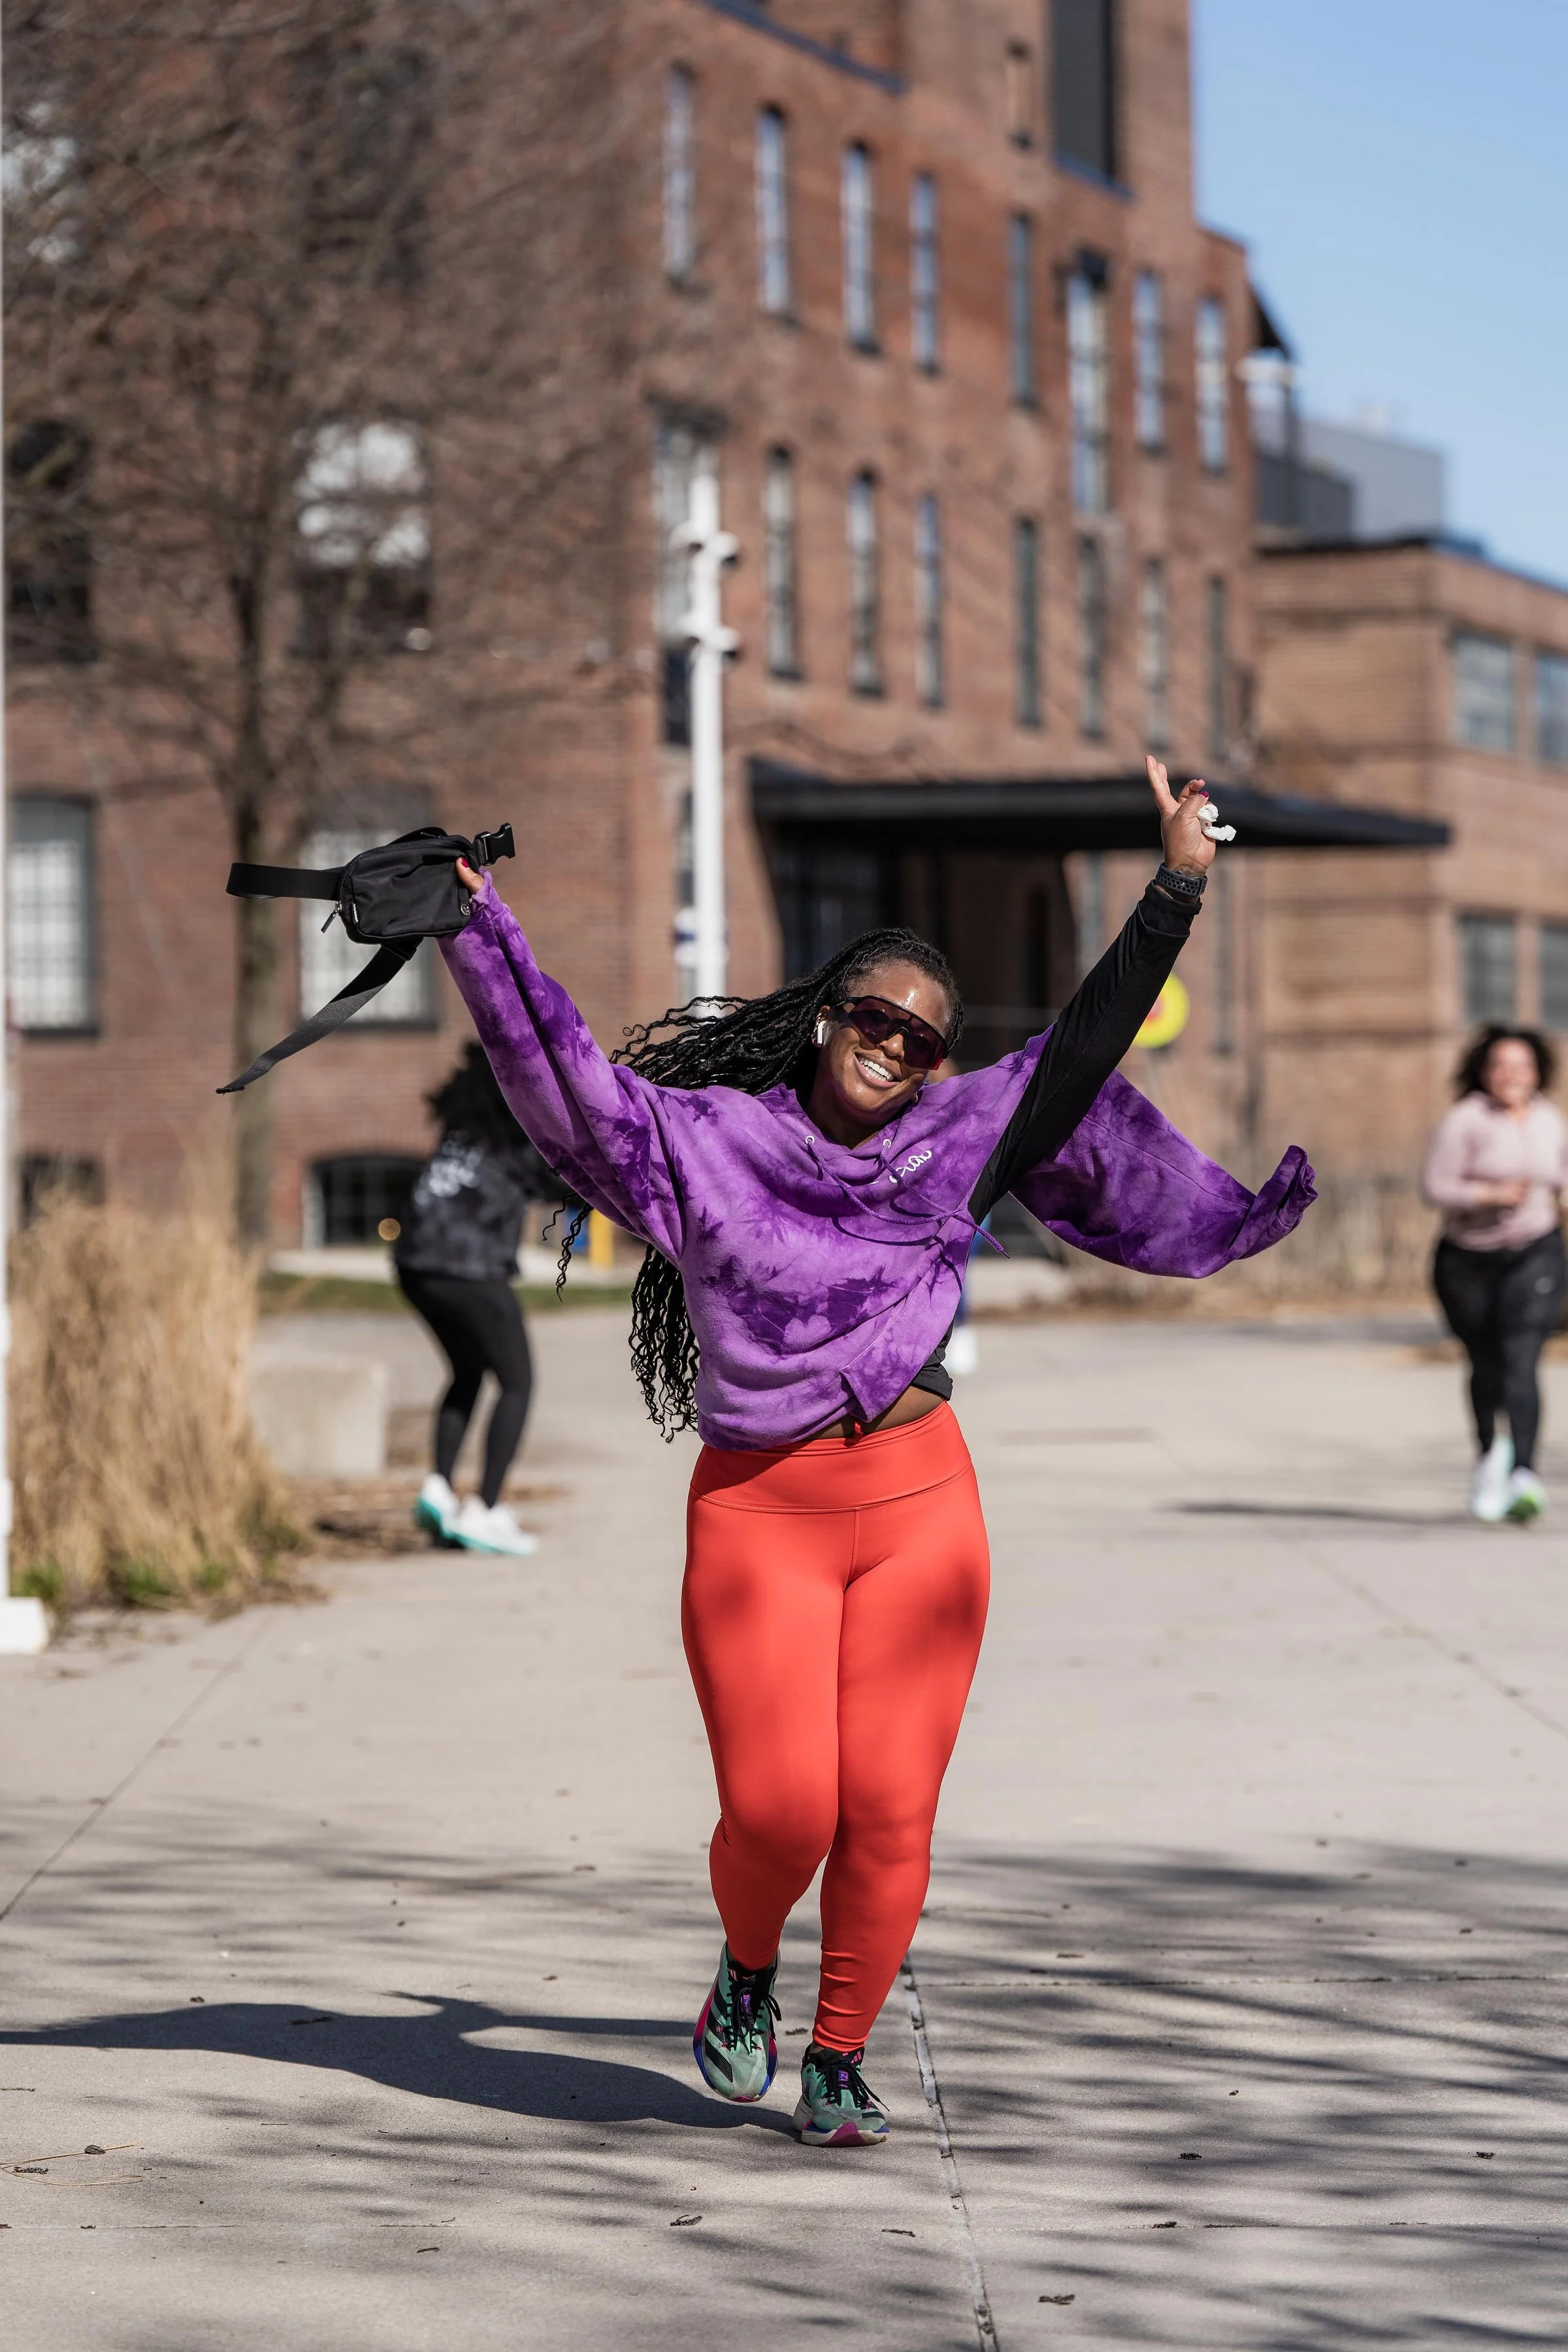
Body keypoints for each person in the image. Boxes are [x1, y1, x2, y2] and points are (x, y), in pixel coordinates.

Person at [442, 758, 1313, 2146]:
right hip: (761, 1512)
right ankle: (747, 1972)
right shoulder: (703, 1145)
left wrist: (1177, 886)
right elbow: (564, 1089)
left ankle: (840, 2052)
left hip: (921, 1510)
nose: (896, 1047)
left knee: (893, 1810)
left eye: (923, 1038)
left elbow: (1083, 1044)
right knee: (783, 1813)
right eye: (874, 1018)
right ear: (820, 1020)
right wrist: (474, 929)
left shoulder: (957, 1144)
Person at [394, 1042, 562, 1558]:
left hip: (413, 1263)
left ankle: (440, 1489)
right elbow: (568, 1185)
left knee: (468, 1372)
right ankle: (485, 1510)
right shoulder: (516, 1135)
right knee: (518, 1380)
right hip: (467, 1269)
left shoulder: (464, 1128)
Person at [1422, 1025, 1568, 1523]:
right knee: (1485, 1363)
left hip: (1536, 1252)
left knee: (1522, 1356)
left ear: (1537, 1072)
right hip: (1467, 1259)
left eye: (1522, 1066)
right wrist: (1489, 1195)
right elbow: (1435, 1188)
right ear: (1484, 1071)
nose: (1512, 1075)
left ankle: (1524, 1475)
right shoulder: (1466, 1120)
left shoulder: (1550, 1119)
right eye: (1501, 1065)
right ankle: (1490, 1458)